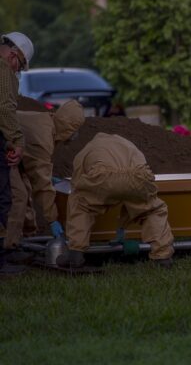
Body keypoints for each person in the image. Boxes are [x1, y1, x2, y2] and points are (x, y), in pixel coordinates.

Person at [57, 133, 174, 268]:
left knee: (79, 203)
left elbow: (77, 184)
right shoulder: (129, 145)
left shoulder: (88, 149)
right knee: (152, 210)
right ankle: (162, 257)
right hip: (137, 177)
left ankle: (75, 254)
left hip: (103, 176)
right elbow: (141, 168)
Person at [3, 100, 85, 259]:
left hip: (8, 150)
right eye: (75, 130)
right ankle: (7, 249)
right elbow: (42, 186)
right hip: (3, 150)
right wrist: (52, 220)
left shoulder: (46, 121)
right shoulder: (43, 139)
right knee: (18, 196)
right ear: (69, 128)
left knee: (23, 187)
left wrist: (49, 177)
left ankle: (23, 236)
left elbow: (30, 170)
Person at [0, 32, 34, 273]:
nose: (17, 71)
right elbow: (5, 107)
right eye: (19, 66)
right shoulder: (4, 70)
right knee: (3, 198)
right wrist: (17, 142)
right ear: (14, 55)